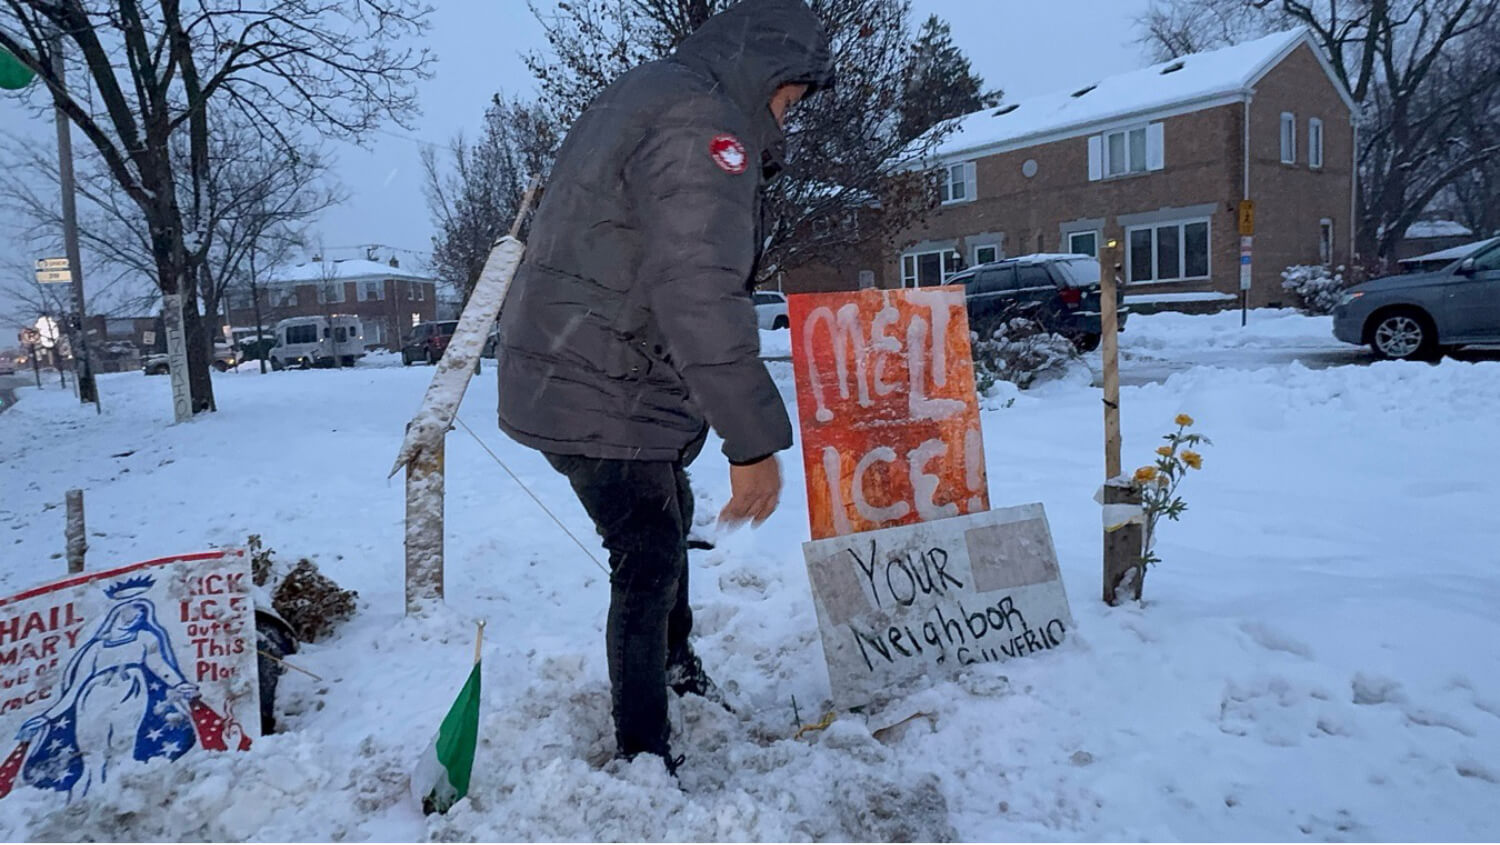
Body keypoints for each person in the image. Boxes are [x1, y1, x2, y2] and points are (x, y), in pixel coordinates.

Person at [495, 0, 834, 772]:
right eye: (790, 97)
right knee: (646, 554)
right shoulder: (702, 127)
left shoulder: (651, 90)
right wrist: (752, 443)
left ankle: (676, 671)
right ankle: (644, 750)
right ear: (764, 68)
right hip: (597, 379)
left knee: (666, 514)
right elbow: (697, 292)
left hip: (576, 362)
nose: (788, 116)